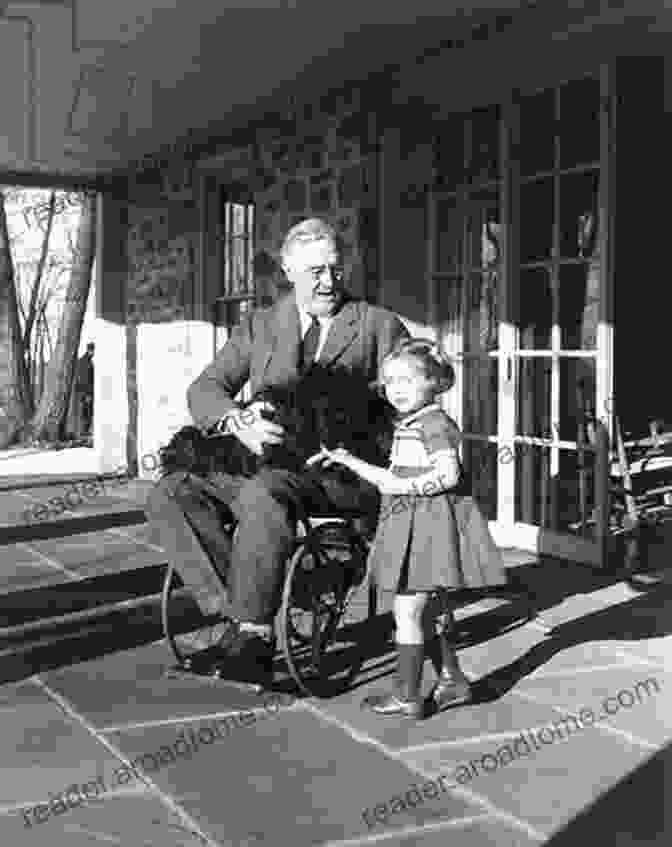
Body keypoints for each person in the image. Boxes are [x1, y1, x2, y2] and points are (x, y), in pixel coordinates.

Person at [145, 218, 409, 689]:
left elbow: (412, 403)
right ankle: (243, 608)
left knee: (263, 493)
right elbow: (206, 387)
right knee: (172, 490)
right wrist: (235, 421)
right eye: (314, 272)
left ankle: (254, 632)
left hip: (335, 471)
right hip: (262, 457)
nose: (328, 281)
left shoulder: (378, 326)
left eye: (334, 268)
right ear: (288, 270)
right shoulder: (261, 324)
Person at [312, 338, 507, 718]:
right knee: (426, 611)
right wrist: (347, 459)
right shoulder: (414, 422)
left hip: (426, 529)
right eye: (389, 382)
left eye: (406, 380)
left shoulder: (433, 424)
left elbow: (448, 475)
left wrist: (404, 487)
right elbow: (391, 477)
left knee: (406, 614)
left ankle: (407, 694)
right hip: (411, 523)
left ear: (434, 381)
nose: (395, 390)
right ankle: (453, 682)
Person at [74, 342, 94, 438]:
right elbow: (86, 379)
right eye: (93, 351)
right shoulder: (87, 362)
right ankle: (84, 432)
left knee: (84, 412)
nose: (94, 353)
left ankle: (83, 431)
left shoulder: (82, 360)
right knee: (87, 412)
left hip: (81, 391)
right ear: (90, 350)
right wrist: (88, 393)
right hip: (86, 391)